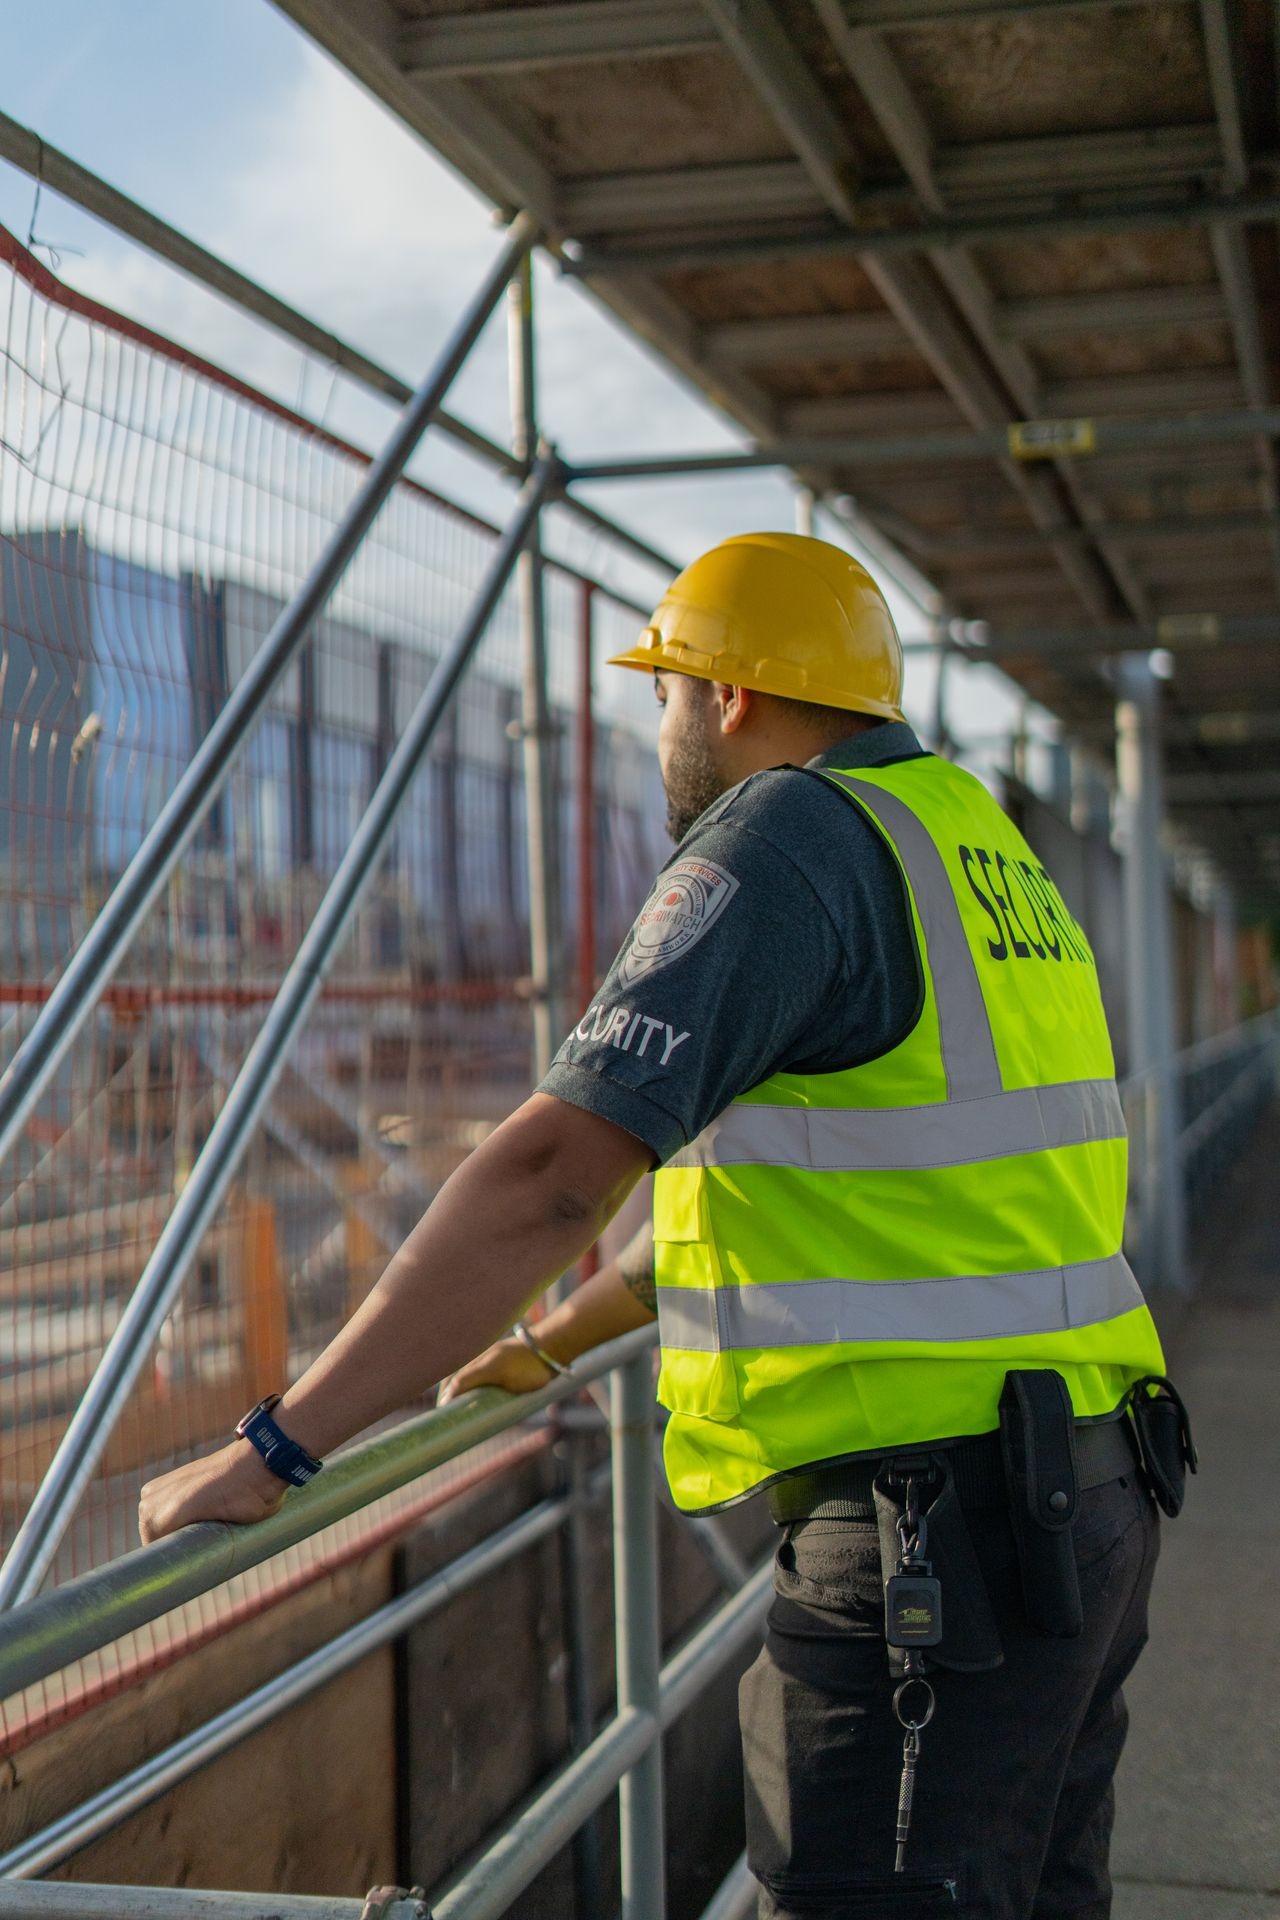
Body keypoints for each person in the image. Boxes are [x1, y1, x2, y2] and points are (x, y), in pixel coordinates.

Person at [140, 533, 1176, 1920]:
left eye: (669, 692)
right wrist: (560, 1334)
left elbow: (555, 1175)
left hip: (940, 1532)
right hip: (1086, 1498)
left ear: (733, 695)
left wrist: (282, 1443)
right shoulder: (979, 847)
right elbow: (843, 1185)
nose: (664, 729)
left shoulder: (789, 837)